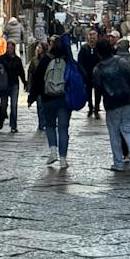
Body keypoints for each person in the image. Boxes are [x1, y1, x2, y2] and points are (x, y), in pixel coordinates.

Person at [95, 34, 130, 174]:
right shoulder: (121, 62)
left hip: (112, 105)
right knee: (128, 129)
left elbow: (98, 90)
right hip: (128, 101)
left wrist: (96, 107)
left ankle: (118, 163)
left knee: (114, 133)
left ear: (99, 53)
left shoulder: (98, 69)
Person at [40, 34, 79, 172]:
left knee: (50, 125)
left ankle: (52, 152)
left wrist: (33, 97)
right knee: (63, 129)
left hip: (48, 98)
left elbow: (38, 79)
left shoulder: (46, 60)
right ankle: (63, 159)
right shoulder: (68, 62)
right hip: (63, 99)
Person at [0, 40, 25, 131]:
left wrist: (24, 82)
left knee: (14, 106)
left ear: (14, 48)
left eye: (11, 48)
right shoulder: (1, 58)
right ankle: (2, 119)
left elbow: (21, 72)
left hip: (14, 84)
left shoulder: (17, 60)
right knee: (3, 105)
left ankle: (13, 126)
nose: (9, 49)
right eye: (8, 48)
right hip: (4, 85)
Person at [26, 38, 50, 132]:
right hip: (38, 86)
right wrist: (29, 84)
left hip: (47, 86)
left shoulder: (48, 59)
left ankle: (47, 122)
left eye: (39, 47)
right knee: (40, 105)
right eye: (37, 47)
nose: (37, 49)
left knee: (47, 106)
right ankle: (41, 124)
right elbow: (30, 72)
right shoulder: (34, 60)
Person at [77, 27, 100, 118]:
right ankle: (90, 107)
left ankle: (97, 109)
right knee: (88, 92)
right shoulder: (84, 48)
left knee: (98, 93)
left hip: (98, 75)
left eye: (94, 35)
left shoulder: (99, 47)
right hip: (87, 75)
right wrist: (83, 73)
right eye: (90, 35)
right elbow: (80, 62)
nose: (92, 37)